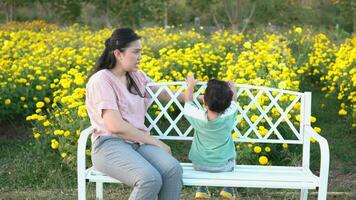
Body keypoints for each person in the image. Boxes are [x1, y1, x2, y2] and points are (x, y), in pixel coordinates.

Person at [85, 28, 183, 200]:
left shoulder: (137, 76)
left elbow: (164, 93)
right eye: (136, 52)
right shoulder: (101, 80)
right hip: (109, 145)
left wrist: (200, 98)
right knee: (149, 179)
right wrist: (156, 142)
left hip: (137, 144)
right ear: (118, 53)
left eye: (141, 52)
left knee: (172, 169)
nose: (140, 57)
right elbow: (115, 126)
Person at [183, 74, 238, 200]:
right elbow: (234, 101)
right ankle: (228, 188)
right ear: (227, 103)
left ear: (205, 102)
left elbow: (188, 103)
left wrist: (190, 86)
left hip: (199, 164)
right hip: (223, 165)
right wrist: (233, 88)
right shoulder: (230, 114)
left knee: (205, 162)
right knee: (233, 158)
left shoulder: (197, 117)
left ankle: (202, 189)